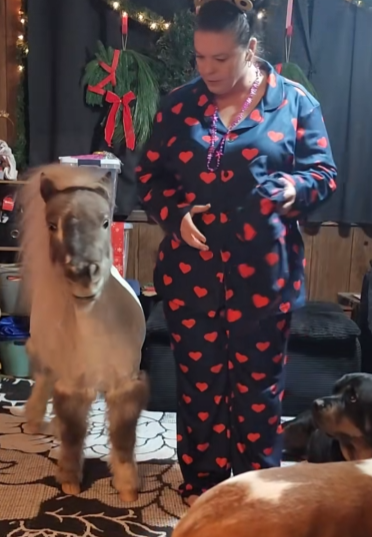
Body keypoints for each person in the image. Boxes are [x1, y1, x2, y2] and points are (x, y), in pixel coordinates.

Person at [137, 0, 337, 506]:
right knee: (199, 386)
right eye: (200, 57)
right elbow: (150, 176)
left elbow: (323, 173)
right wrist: (175, 215)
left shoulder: (294, 103)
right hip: (191, 275)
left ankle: (254, 489)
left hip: (265, 277)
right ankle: (204, 485)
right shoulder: (178, 105)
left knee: (258, 391)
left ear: (249, 49)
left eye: (220, 58)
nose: (207, 69)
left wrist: (295, 188)